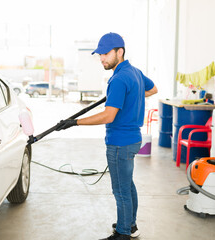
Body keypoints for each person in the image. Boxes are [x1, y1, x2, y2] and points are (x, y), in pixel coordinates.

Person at [56, 32, 158, 240]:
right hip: (133, 140)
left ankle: (122, 234)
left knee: (121, 190)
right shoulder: (135, 72)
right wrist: (133, 95)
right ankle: (130, 225)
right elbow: (153, 89)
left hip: (120, 143)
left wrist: (74, 122)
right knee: (127, 185)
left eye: (105, 53)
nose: (101, 58)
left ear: (119, 52)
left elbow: (108, 115)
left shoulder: (120, 78)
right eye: (99, 54)